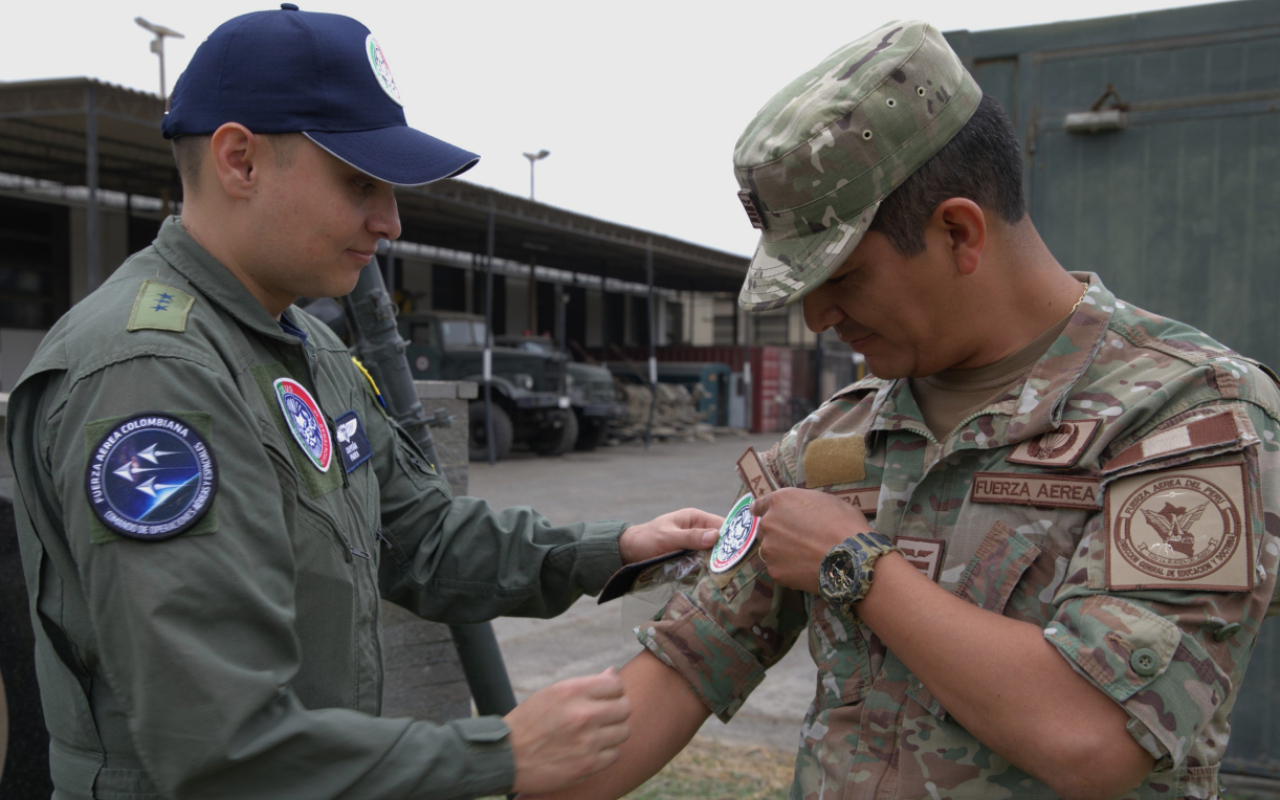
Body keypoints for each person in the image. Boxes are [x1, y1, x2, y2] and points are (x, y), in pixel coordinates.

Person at [529, 20, 1280, 800]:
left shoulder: (1187, 414)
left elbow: (1095, 737)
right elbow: (685, 665)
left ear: (959, 231)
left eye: (843, 278)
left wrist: (856, 567)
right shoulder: (834, 441)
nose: (818, 318)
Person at [3, 7, 724, 800]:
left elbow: (422, 541)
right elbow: (216, 744)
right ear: (239, 161)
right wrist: (500, 754)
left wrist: (615, 547)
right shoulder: (150, 374)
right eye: (359, 182)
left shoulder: (305, 347)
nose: (390, 220)